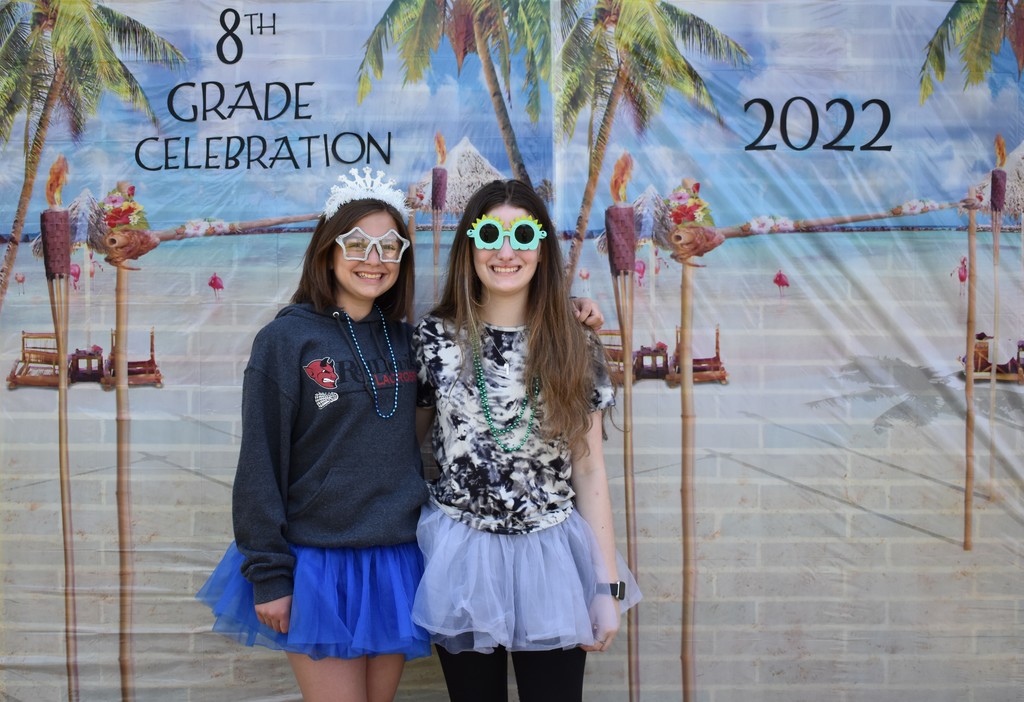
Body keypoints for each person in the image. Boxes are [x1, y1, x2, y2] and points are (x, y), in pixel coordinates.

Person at [197, 169, 605, 702]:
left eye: (389, 247)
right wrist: (270, 574)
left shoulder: (404, 340)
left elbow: (492, 370)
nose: (374, 258)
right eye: (358, 244)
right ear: (327, 250)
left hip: (394, 557)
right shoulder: (291, 340)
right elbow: (259, 464)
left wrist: (570, 312)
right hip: (321, 557)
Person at [411, 179, 641, 702]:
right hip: (461, 555)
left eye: (522, 235)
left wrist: (607, 588)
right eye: (489, 234)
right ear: (469, 247)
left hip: (551, 556)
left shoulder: (574, 340)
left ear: (542, 248)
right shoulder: (434, 339)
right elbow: (409, 447)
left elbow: (589, 469)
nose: (505, 251)